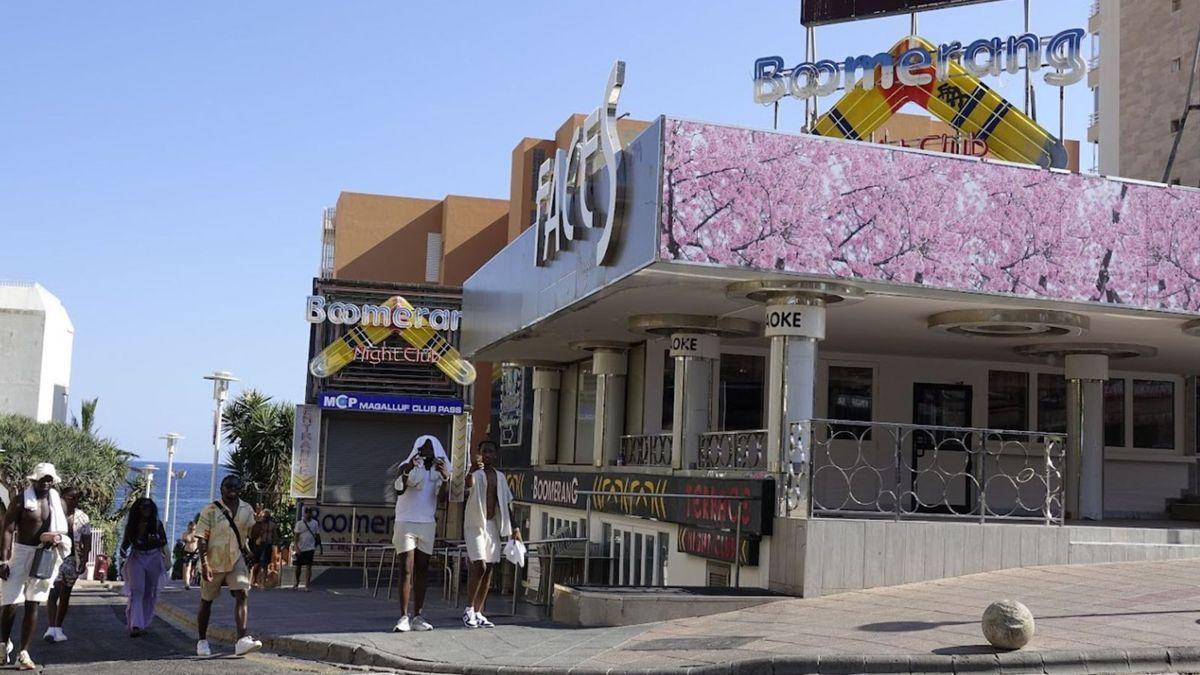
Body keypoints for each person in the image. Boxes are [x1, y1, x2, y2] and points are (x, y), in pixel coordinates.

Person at [0, 463, 71, 671]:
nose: (47, 483)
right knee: (10, 602)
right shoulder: (21, 500)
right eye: (43, 479)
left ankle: (24, 653)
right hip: (20, 552)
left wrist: (56, 538)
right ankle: (4, 645)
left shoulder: (56, 502)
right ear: (34, 480)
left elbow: (62, 529)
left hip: (44, 553)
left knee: (34, 602)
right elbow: (7, 529)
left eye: (50, 479)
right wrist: (3, 560)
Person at [195, 475, 262, 657]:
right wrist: (204, 564)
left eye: (235, 486)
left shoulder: (246, 509)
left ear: (240, 489)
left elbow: (253, 534)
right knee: (207, 600)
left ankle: (241, 640)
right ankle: (202, 640)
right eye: (228, 485)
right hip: (213, 560)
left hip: (235, 558)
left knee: (242, 593)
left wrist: (260, 521)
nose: (231, 488)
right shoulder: (210, 510)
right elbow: (201, 538)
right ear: (221, 488)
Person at [389, 435, 449, 633]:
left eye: (431, 450)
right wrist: (408, 470)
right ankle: (403, 616)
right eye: (423, 449)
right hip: (405, 522)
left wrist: (446, 478)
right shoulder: (406, 466)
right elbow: (398, 490)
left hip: (427, 523)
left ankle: (419, 616)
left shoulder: (438, 472)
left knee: (422, 570)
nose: (426, 453)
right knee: (406, 568)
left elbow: (442, 500)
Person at [463, 441, 520, 629]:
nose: (486, 455)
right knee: (479, 564)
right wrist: (472, 469)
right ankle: (469, 609)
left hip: (493, 525)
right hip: (475, 525)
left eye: (490, 452)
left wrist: (515, 529)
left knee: (489, 569)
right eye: (483, 452)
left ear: (495, 455)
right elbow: (466, 485)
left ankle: (479, 612)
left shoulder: (501, 478)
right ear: (479, 454)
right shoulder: (475, 475)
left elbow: (508, 503)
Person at [44, 487, 91, 643]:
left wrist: (84, 561)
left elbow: (87, 541)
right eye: (69, 497)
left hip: (72, 560)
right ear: (61, 497)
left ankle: (58, 627)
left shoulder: (83, 517)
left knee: (65, 594)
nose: (73, 500)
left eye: (76, 498)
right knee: (54, 591)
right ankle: (51, 628)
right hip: (54, 557)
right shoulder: (52, 515)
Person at [120, 497, 168, 637]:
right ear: (137, 510)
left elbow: (163, 541)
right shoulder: (132, 526)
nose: (146, 510)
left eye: (148, 507)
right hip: (137, 557)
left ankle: (144, 622)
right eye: (143, 508)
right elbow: (125, 544)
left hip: (154, 557)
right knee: (137, 591)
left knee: (149, 592)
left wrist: (156, 540)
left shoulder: (156, 524)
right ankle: (135, 625)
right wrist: (122, 553)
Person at [292, 507, 320, 591]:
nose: (308, 514)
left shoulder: (315, 523)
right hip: (301, 548)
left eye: (310, 513)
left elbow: (317, 534)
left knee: (309, 566)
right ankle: (297, 582)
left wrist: (318, 545)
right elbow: (296, 536)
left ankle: (307, 585)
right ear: (304, 514)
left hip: (310, 547)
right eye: (307, 513)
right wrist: (296, 547)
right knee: (298, 566)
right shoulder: (299, 523)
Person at [249, 510, 275, 589]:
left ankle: (263, 583)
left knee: (265, 564)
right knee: (256, 564)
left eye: (267, 517)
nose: (265, 518)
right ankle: (253, 580)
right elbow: (252, 534)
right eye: (264, 516)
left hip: (267, 545)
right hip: (258, 545)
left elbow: (274, 534)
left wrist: (275, 543)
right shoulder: (257, 524)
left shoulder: (272, 525)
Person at [180, 521, 200, 590]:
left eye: (193, 529)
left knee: (192, 570)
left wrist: (199, 550)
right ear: (188, 528)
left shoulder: (197, 534)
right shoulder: (185, 534)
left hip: (195, 553)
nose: (191, 530)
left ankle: (191, 580)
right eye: (190, 529)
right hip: (187, 552)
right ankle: (187, 584)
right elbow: (182, 543)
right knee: (187, 568)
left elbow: (200, 543)